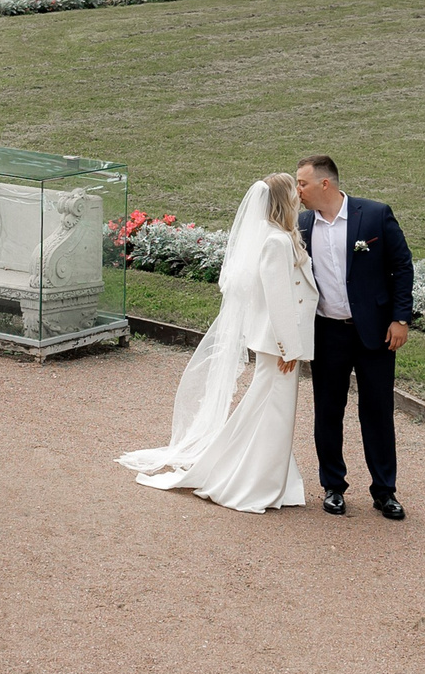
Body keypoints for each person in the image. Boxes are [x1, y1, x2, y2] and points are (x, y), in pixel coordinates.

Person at [116, 173, 317, 512]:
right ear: (284, 200)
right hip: (279, 345)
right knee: (273, 412)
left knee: (267, 410)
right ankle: (251, 482)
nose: (299, 195)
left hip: (279, 344)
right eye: (294, 190)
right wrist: (290, 347)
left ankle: (267, 479)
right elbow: (278, 298)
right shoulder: (276, 242)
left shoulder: (278, 236)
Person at [295, 153, 414, 521]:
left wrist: (400, 319)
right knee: (328, 412)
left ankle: (385, 492)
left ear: (324, 183)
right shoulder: (300, 225)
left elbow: (401, 266)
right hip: (326, 332)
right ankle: (333, 487)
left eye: (303, 183)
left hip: (375, 333)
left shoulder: (375, 214)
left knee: (377, 412)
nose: (297, 190)